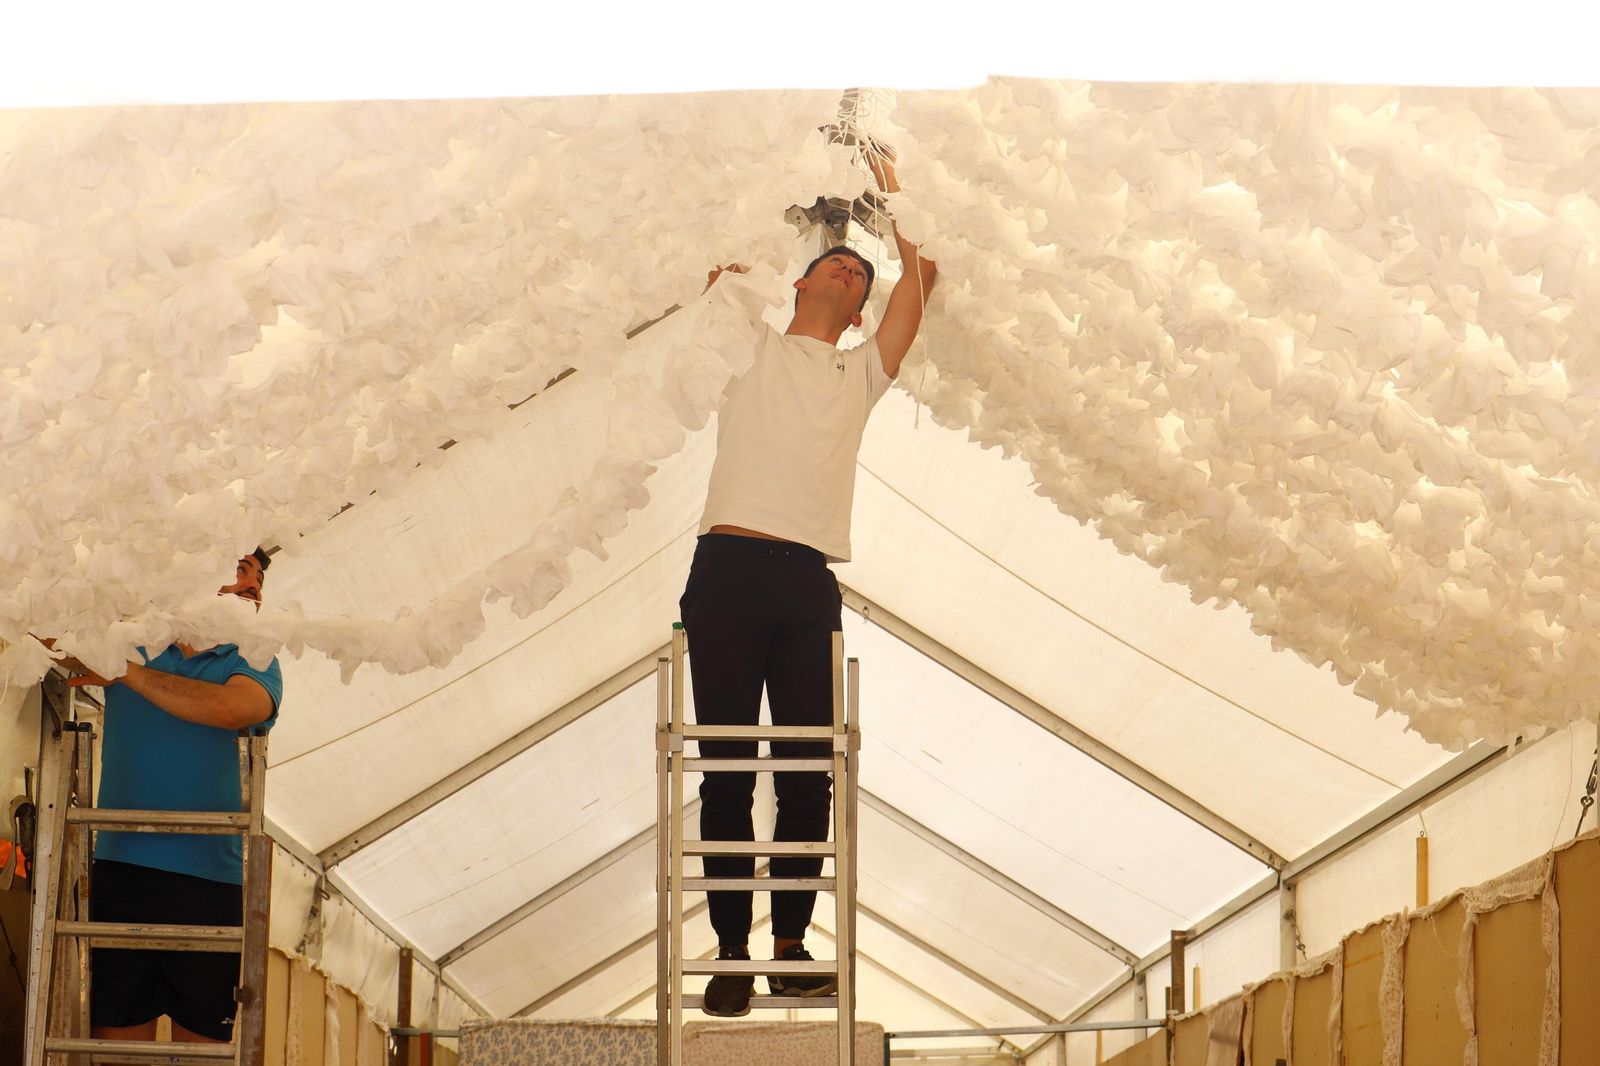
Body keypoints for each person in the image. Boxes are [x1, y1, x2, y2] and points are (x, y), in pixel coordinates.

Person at [681, 148, 937, 1017]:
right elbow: (718, 263)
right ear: (799, 284)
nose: (849, 266)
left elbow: (922, 273)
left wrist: (895, 188)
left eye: (860, 271)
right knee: (724, 766)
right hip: (725, 570)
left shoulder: (859, 370)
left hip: (804, 582)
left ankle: (790, 946)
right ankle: (729, 953)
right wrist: (785, 159)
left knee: (805, 772)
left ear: (861, 307)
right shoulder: (747, 346)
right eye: (834, 258)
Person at [53, 549, 284, 1049]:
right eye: (243, 571)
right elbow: (47, 640)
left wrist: (126, 673)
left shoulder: (254, 656)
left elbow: (231, 708)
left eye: (258, 579)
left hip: (211, 879)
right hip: (121, 870)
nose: (254, 588)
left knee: (200, 1050)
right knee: (116, 1045)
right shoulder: (134, 636)